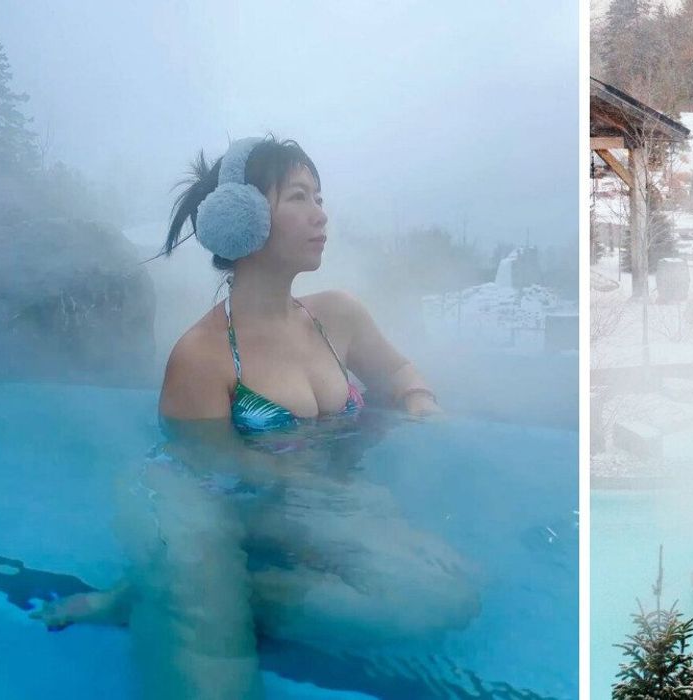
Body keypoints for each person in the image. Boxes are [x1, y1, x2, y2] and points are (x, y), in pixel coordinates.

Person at [32, 136, 479, 699]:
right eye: (299, 197)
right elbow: (207, 465)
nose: (321, 214)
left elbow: (400, 374)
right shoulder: (203, 354)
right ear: (239, 219)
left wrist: (420, 403)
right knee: (215, 676)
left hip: (312, 506)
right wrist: (312, 496)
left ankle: (187, 594)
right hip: (208, 505)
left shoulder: (338, 315)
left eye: (319, 196)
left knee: (448, 598)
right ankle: (185, 592)